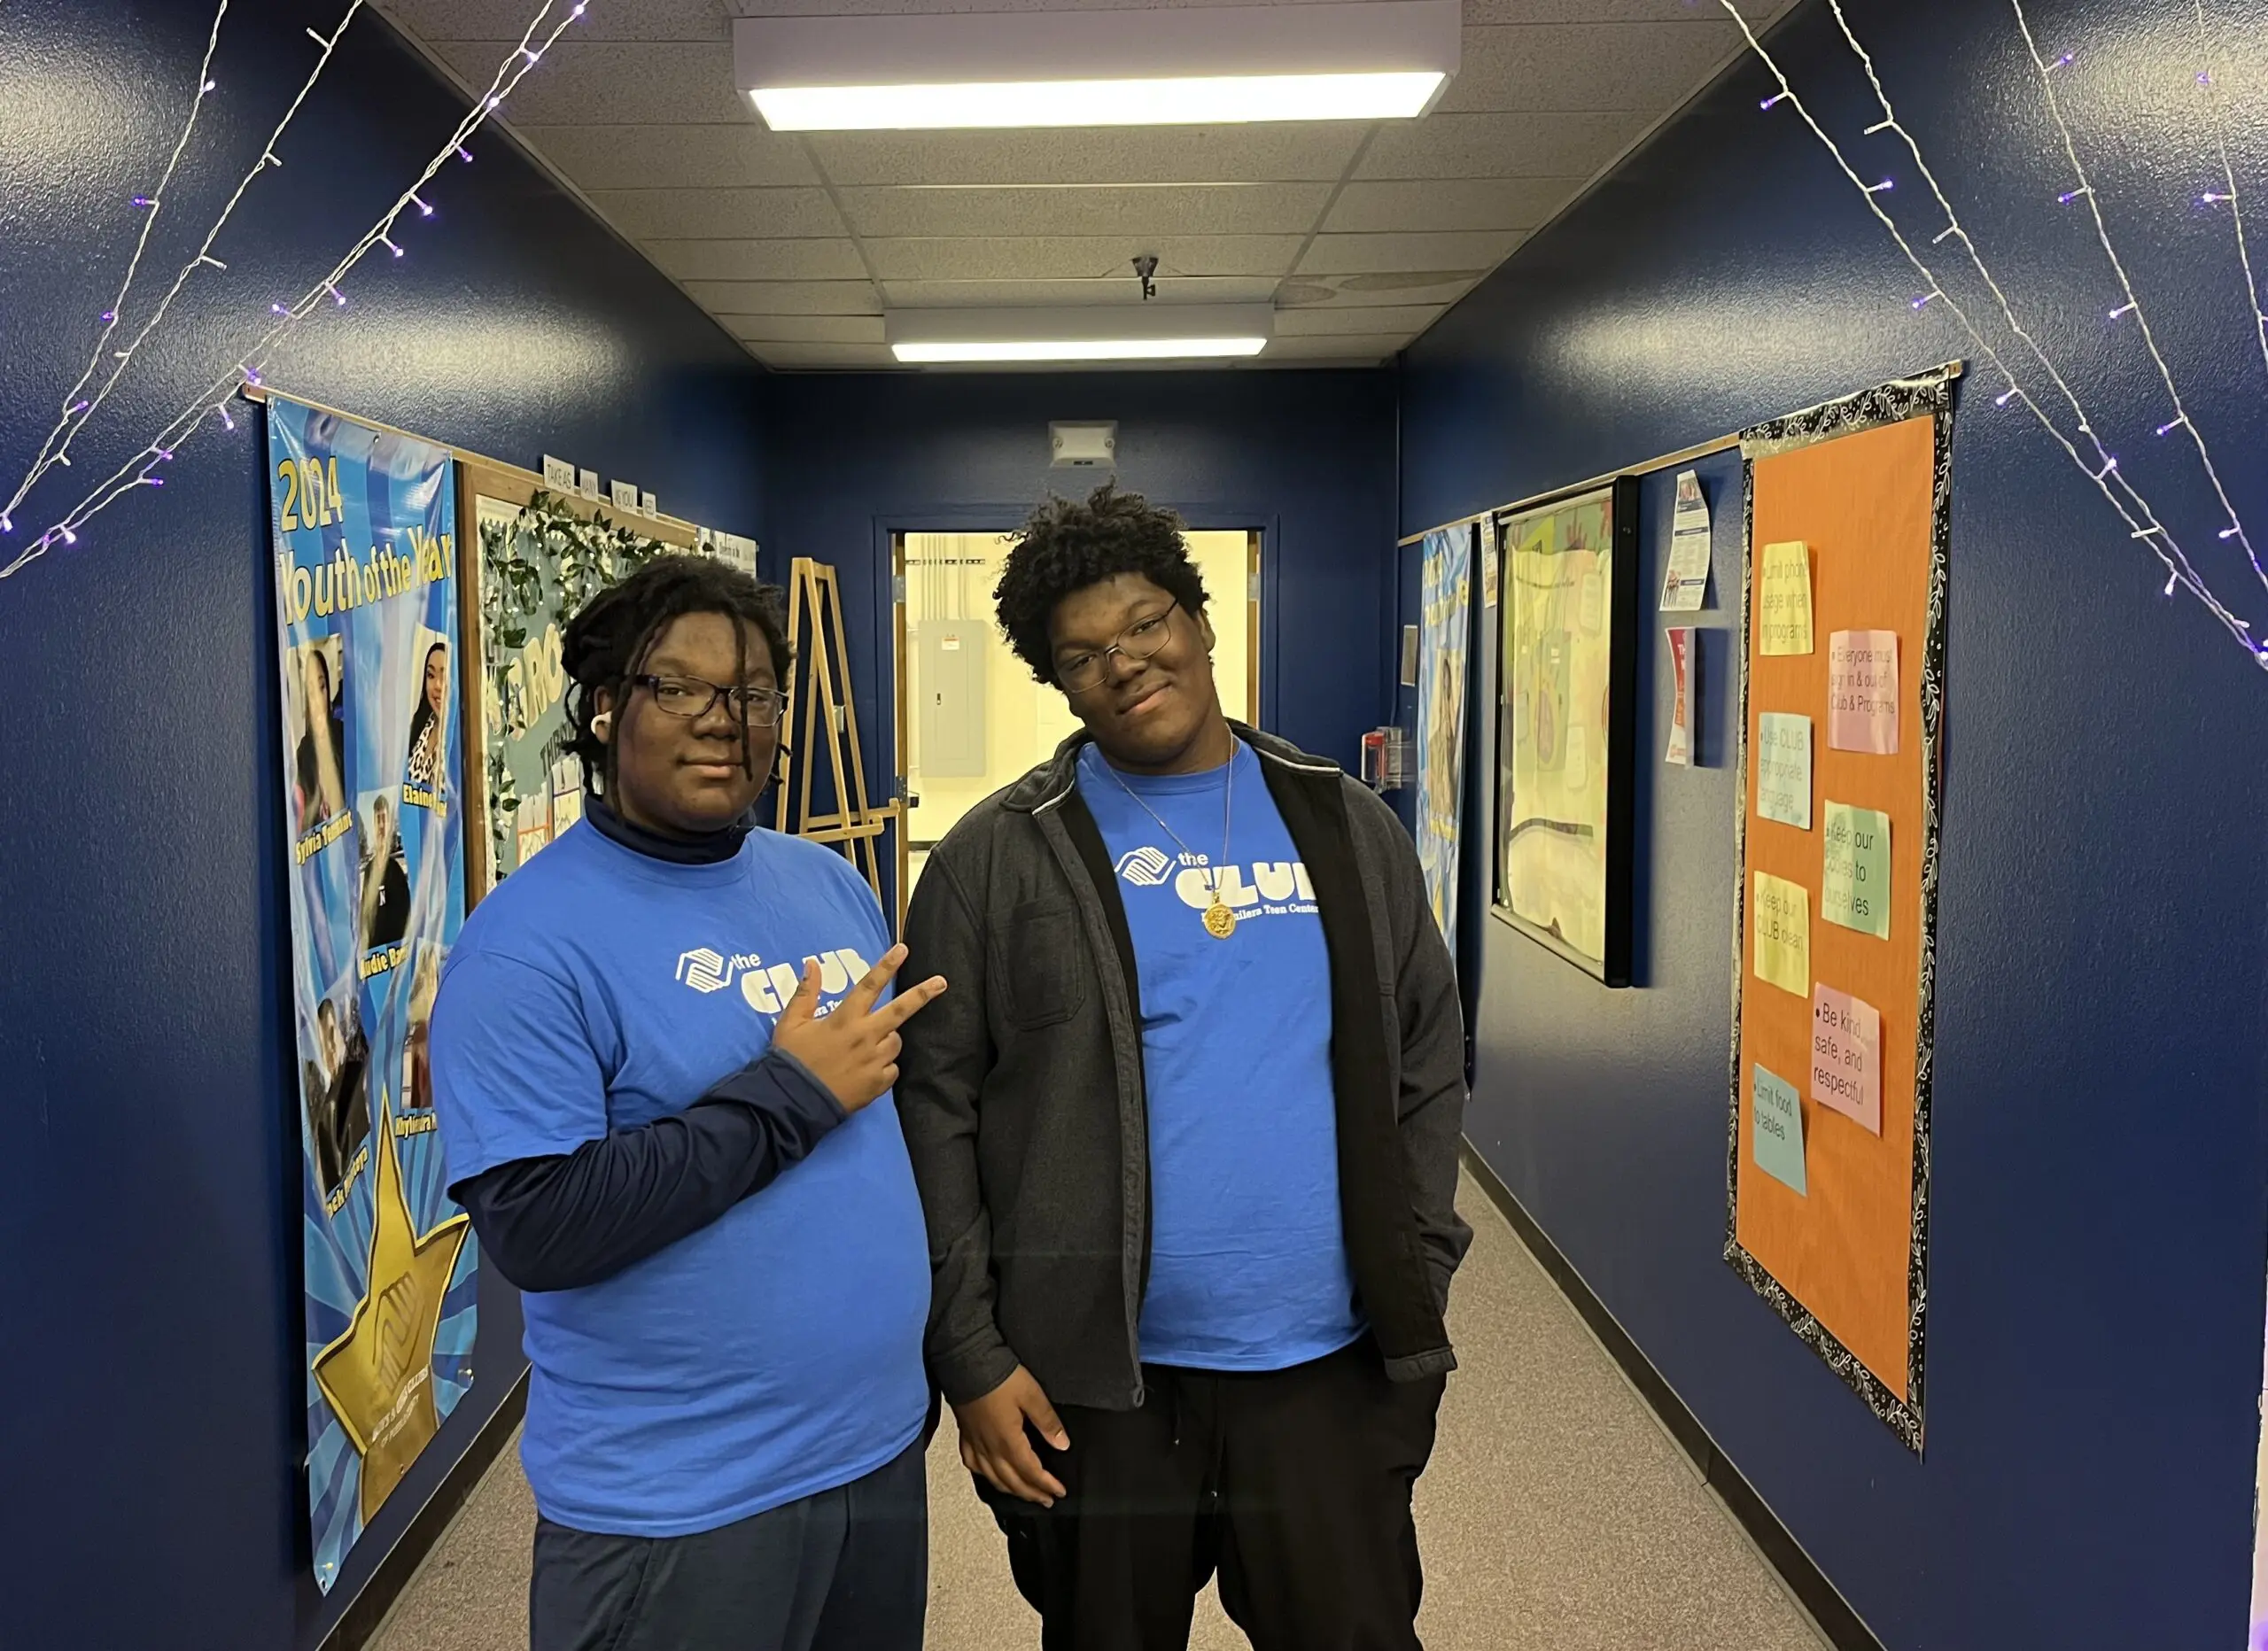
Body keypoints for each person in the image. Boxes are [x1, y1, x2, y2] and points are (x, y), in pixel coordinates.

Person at [898, 483, 1472, 1651]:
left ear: (1201, 621)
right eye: (1084, 653)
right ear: (1057, 682)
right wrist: (970, 1356)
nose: (1127, 662)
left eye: (1148, 622)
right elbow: (933, 1113)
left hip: (1325, 1364)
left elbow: (1425, 1051)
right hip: (1096, 1385)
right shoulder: (991, 863)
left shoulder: (1345, 825)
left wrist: (1419, 1256)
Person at [430, 554, 946, 1651]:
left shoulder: (826, 881)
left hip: (875, 1455)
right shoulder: (524, 947)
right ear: (606, 705)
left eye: (753, 693)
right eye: (681, 687)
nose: (725, 720)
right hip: (680, 1504)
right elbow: (542, 1223)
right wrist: (790, 1094)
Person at [305, 995, 369, 1196]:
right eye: (325, 1037)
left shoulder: (360, 1079)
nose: (331, 1045)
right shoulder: (321, 1114)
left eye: (334, 1033)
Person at [296, 645, 347, 831]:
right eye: (311, 691)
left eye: (322, 687)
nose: (317, 699)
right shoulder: (303, 754)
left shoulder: (343, 735)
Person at [360, 792, 413, 951]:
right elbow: (365, 918)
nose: (382, 825)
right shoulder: (369, 871)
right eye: (378, 819)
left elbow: (405, 920)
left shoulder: (396, 869)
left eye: (384, 818)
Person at [405, 640, 448, 793]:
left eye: (445, 676)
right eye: (431, 675)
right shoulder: (420, 724)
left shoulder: (458, 741)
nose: (437, 685)